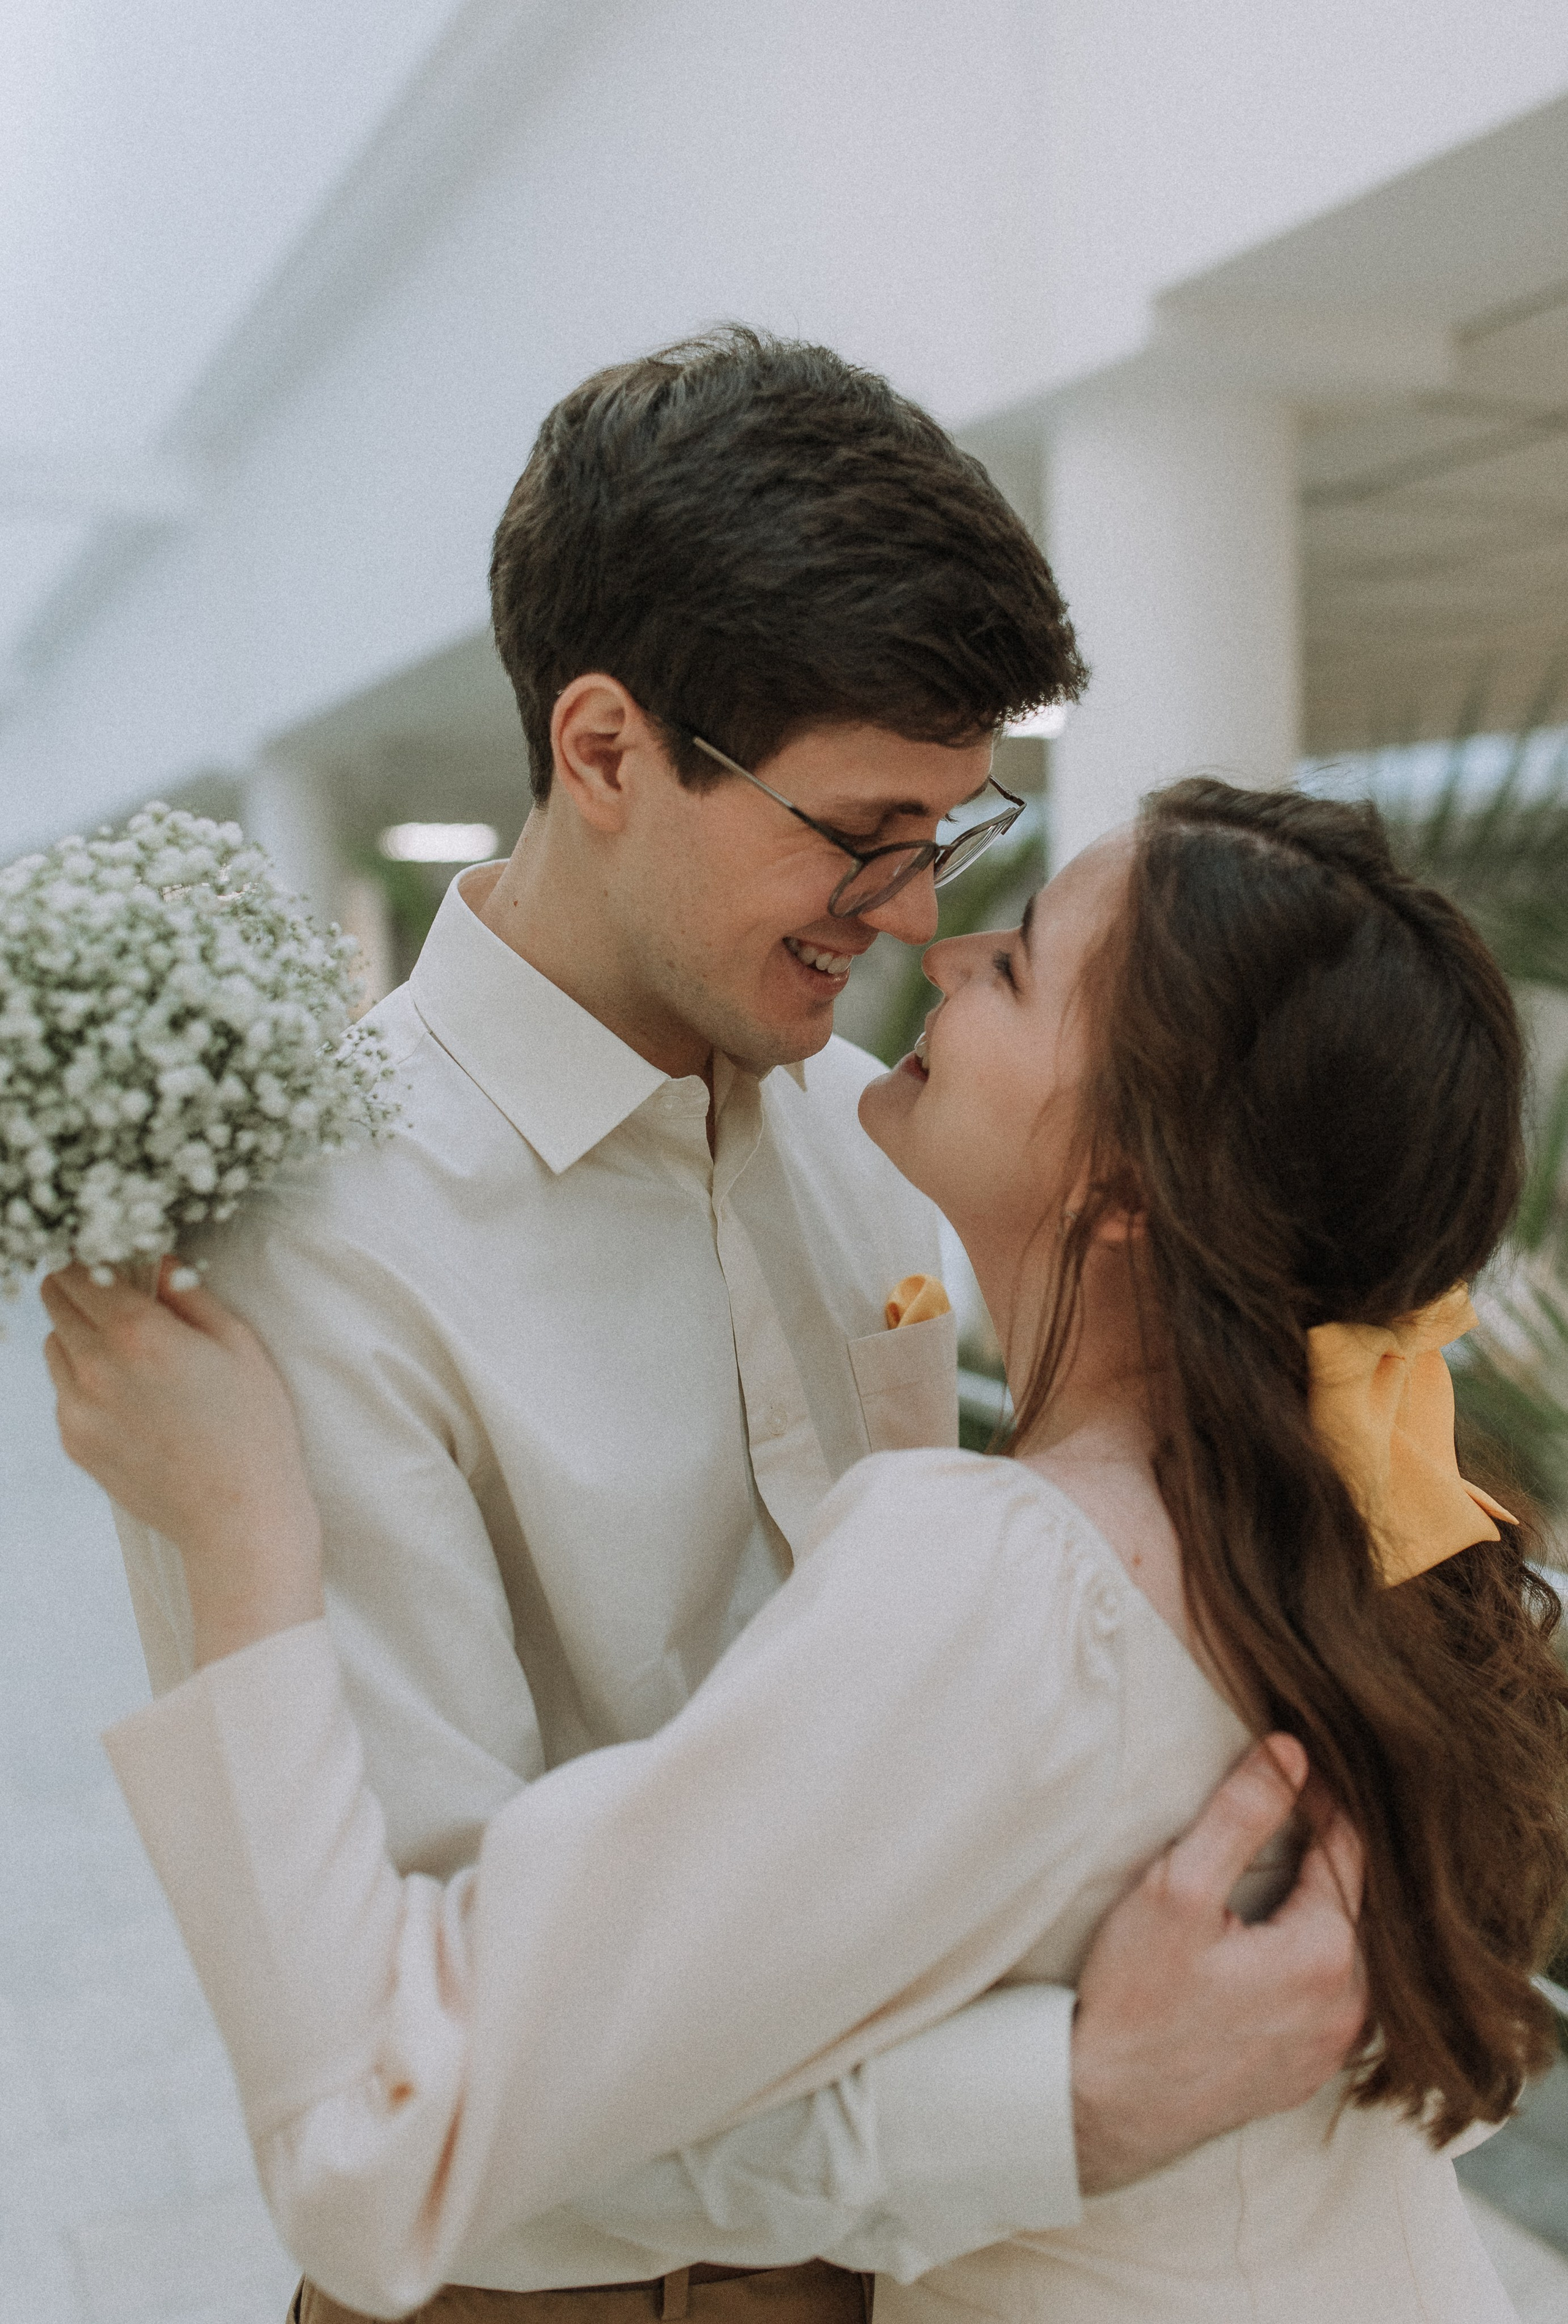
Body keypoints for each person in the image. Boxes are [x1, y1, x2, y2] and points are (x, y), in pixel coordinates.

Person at [90, 332, 1366, 2316]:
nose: (916, 912)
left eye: (952, 830)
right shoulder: (317, 1245)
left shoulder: (872, 1144)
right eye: (861, 830)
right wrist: (1068, 2102)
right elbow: (409, 2093)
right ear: (604, 751)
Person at [48, 780, 1567, 2320]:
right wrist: (1067, 2094)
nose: (937, 940)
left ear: (1123, 1180)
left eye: (1017, 964)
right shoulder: (1333, 1534)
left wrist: (241, 1531)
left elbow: (380, 2149)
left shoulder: (1017, 1584)